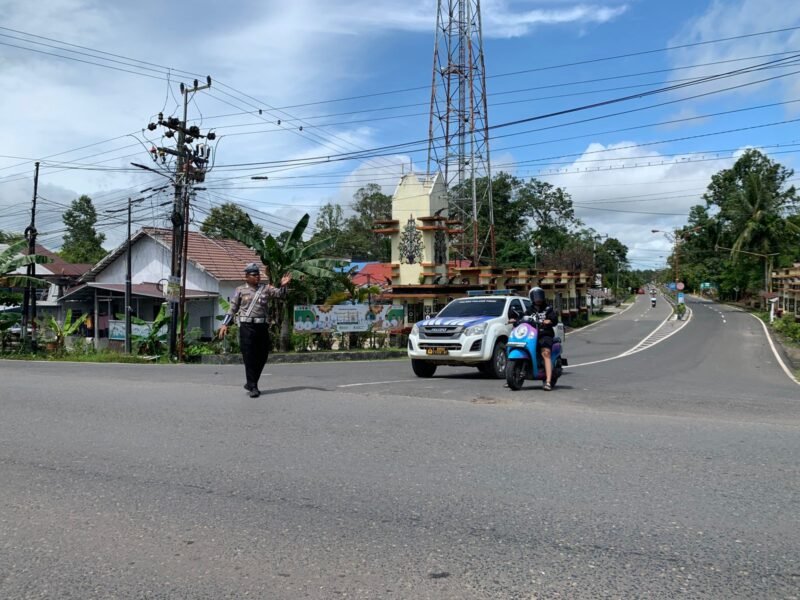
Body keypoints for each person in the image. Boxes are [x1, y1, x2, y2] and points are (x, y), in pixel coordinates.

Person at [218, 262, 292, 398]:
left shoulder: (266, 288)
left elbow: (280, 295)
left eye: (258, 274)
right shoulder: (240, 290)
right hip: (247, 327)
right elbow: (232, 308)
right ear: (247, 276)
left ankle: (251, 382)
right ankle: (253, 386)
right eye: (253, 275)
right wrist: (224, 324)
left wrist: (284, 285)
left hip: (261, 326)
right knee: (249, 356)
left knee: (262, 356)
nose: (257, 277)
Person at [525, 287, 559, 391]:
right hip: (531, 334)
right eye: (536, 297)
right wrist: (515, 320)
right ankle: (512, 377)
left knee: (546, 353)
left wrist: (550, 320)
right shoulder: (529, 310)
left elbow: (554, 319)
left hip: (545, 334)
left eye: (540, 296)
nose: (538, 299)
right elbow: (522, 318)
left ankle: (548, 381)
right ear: (532, 298)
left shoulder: (548, 309)